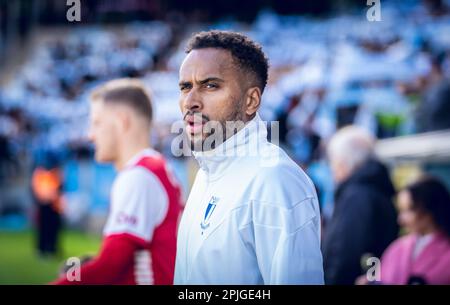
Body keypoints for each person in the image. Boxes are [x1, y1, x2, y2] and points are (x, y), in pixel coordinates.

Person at [174, 30, 324, 284]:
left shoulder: (274, 178)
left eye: (210, 85)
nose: (190, 101)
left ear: (251, 100)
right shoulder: (206, 174)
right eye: (185, 87)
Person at [53, 78, 182, 285]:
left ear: (122, 121)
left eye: (96, 123)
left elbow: (110, 266)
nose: (90, 135)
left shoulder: (139, 176)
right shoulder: (157, 167)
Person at [322, 126, 398, 285]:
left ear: (345, 161)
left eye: (333, 161)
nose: (332, 168)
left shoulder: (358, 195)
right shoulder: (374, 189)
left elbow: (346, 252)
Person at [357, 176, 450, 285]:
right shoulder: (398, 247)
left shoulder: (446, 252)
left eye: (408, 211)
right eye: (401, 211)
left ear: (429, 211)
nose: (401, 220)